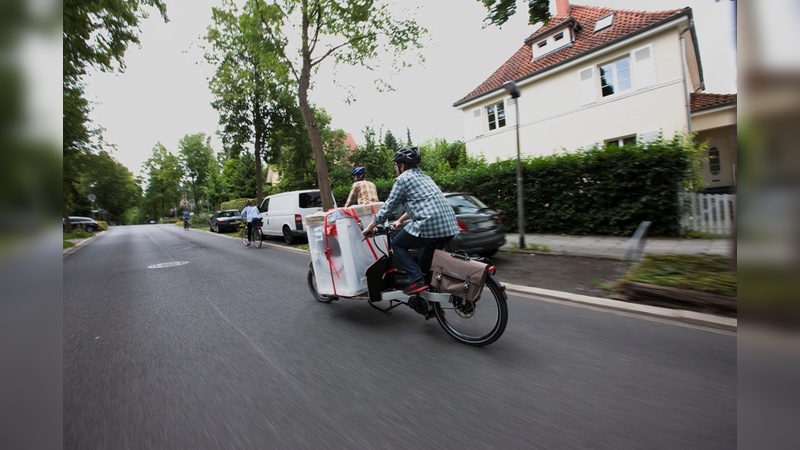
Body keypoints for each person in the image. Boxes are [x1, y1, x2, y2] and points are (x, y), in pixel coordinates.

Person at [362, 147, 459, 295]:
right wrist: (400, 220)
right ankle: (430, 301)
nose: (396, 169)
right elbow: (421, 204)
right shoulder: (426, 178)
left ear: (401, 166)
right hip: (449, 226)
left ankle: (417, 281)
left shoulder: (403, 179)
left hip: (430, 225)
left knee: (397, 243)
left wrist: (370, 227)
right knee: (424, 261)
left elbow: (388, 206)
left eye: (396, 166)